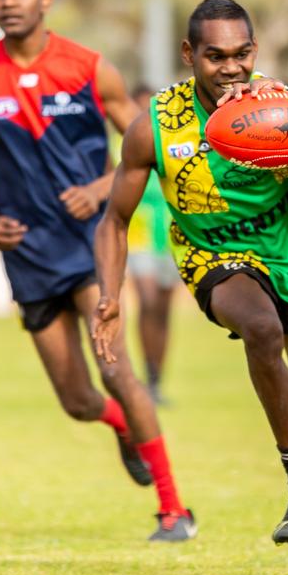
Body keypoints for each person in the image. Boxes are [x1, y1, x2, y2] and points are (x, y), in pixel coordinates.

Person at [92, 0, 288, 568]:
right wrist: (110, 298)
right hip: (216, 259)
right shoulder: (154, 127)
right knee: (261, 329)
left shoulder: (283, 105)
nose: (230, 68)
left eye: (241, 54)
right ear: (190, 54)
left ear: (254, 51)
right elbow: (113, 219)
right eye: (215, 56)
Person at [0, 0, 194, 541]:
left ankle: (173, 510)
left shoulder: (88, 68)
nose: (8, 1)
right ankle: (122, 429)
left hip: (91, 250)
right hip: (27, 256)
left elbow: (150, 144)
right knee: (79, 400)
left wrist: (99, 187)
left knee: (117, 372)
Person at [124, 84, 180, 405]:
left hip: (170, 238)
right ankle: (144, 372)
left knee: (162, 310)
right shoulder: (126, 141)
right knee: (146, 302)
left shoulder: (170, 140)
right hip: (140, 237)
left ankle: (156, 379)